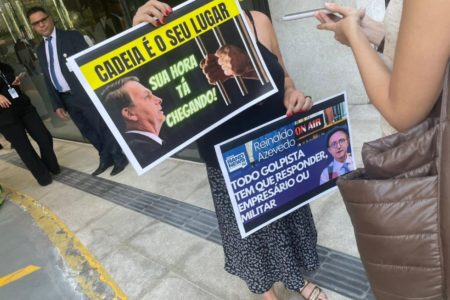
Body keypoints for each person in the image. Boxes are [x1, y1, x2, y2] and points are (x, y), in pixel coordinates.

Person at [134, 2, 326, 300]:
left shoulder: (257, 20)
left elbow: (284, 76)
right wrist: (137, 39)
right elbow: (159, 98)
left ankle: (295, 277)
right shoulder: (172, 29)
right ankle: (265, 292)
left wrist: (291, 91)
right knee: (249, 229)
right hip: (227, 155)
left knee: (287, 216)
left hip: (274, 143)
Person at [27, 6, 128, 176]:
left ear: (51, 18)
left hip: (84, 93)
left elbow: (88, 63)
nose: (41, 25)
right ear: (33, 27)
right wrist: (56, 104)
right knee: (87, 131)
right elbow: (48, 78)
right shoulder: (40, 50)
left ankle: (119, 157)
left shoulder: (71, 37)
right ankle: (105, 158)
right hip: (66, 99)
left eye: (43, 20)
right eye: (36, 23)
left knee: (101, 126)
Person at [0, 62, 60, 186]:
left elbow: (9, 84)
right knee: (24, 147)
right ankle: (42, 176)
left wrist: (16, 82)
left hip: (23, 106)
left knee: (44, 136)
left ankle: (50, 165)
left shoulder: (4, 66)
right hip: (4, 115)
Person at [102, 76, 165, 167]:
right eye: (147, 96)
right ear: (130, 114)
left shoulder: (151, 144)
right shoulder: (143, 149)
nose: (159, 99)